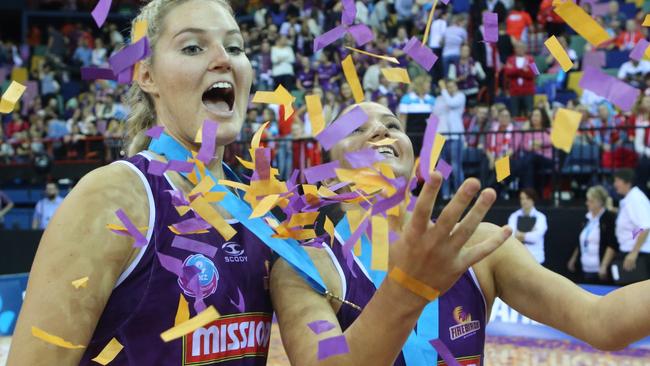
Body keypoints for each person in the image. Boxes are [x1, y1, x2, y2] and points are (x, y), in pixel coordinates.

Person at [272, 102, 650, 365]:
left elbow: (603, 321)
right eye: (356, 128)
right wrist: (411, 287)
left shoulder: (479, 247)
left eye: (392, 125)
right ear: (330, 167)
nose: (380, 130)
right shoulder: (304, 265)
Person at [8, 1, 274, 364]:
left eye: (235, 47)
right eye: (193, 47)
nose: (223, 59)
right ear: (146, 76)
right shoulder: (114, 196)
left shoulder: (263, 211)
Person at [568, 185, 619, 283]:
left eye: (590, 201)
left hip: (599, 269)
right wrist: (573, 258)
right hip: (585, 267)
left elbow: (612, 244)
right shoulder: (586, 218)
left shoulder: (608, 218)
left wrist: (603, 266)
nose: (587, 203)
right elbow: (582, 241)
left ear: (599, 202)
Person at [613, 169, 650, 275]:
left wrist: (634, 253)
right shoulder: (631, 199)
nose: (615, 184)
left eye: (617, 181)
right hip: (633, 252)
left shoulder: (635, 199)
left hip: (639, 255)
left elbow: (645, 227)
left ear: (627, 182)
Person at [436, 79, 466, 200]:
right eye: (448, 87)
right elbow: (436, 113)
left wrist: (443, 89)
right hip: (443, 135)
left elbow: (451, 103)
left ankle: (461, 194)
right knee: (443, 166)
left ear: (456, 87)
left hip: (455, 136)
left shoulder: (460, 96)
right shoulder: (440, 98)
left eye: (452, 86)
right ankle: (445, 194)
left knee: (456, 165)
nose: (450, 88)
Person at [507, 188, 548, 264]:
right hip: (518, 258)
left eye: (527, 198)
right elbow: (511, 236)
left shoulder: (541, 217)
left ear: (533, 199)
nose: (524, 201)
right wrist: (530, 231)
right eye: (522, 199)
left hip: (536, 258)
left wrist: (519, 234)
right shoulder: (514, 216)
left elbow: (535, 237)